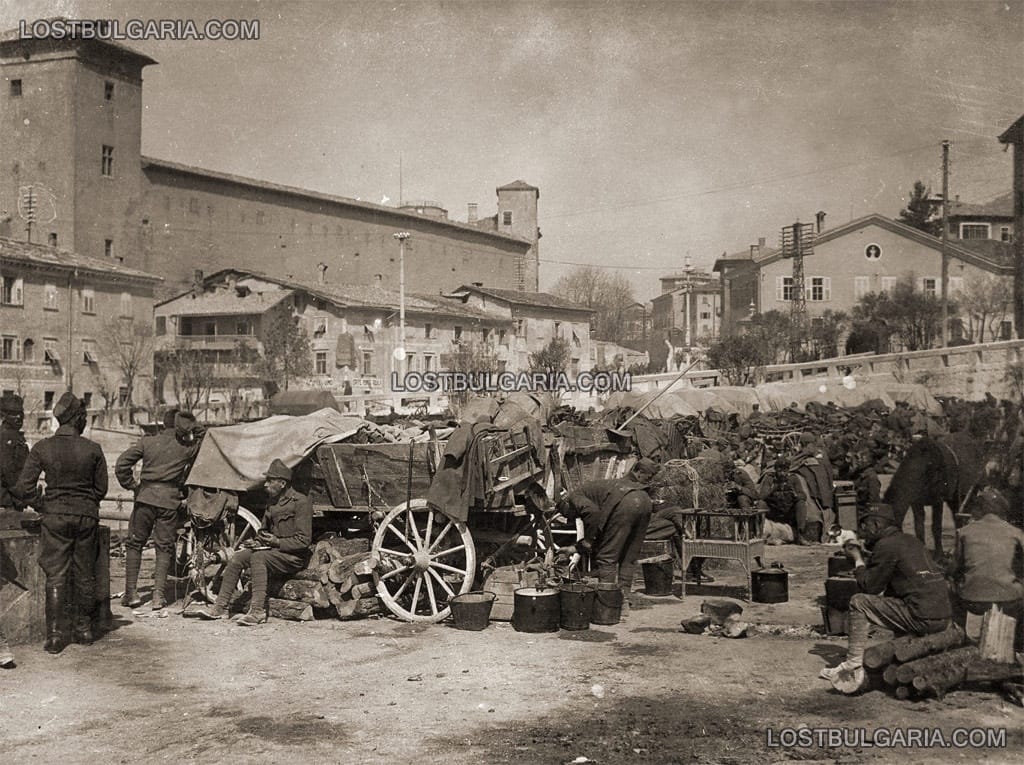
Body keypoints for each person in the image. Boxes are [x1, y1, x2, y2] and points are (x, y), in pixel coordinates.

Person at [820, 503, 952, 694]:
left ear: (875, 525)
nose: (863, 532)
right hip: (942, 616)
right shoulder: (911, 541)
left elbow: (870, 587)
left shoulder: (886, 545)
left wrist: (857, 560)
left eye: (864, 526)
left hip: (922, 617)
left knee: (859, 601)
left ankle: (853, 666)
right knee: (896, 598)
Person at [16, 393, 108, 654]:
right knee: (84, 572)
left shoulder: (42, 447)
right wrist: (85, 503)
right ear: (78, 419)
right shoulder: (93, 449)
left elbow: (24, 487)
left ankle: (56, 636)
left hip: (54, 517)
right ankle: (84, 630)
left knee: (55, 574)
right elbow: (101, 489)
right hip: (86, 517)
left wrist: (43, 504)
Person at [198, 459, 312, 625]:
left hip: (293, 557)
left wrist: (276, 542)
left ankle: (257, 611)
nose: (265, 485)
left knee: (259, 558)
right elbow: (263, 532)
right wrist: (257, 542)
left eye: (269, 481)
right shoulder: (272, 503)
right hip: (275, 552)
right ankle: (219, 607)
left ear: (282, 483)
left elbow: (304, 540)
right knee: (237, 557)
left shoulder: (301, 502)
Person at [114, 410, 203, 610]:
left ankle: (132, 594)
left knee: (135, 543)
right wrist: (190, 426)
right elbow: (203, 436)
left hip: (145, 498)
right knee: (164, 548)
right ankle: (158, 597)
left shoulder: (147, 442)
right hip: (169, 503)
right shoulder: (185, 448)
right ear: (180, 426)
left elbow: (121, 464)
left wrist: (132, 485)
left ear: (163, 424)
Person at [556, 458, 658, 616]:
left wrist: (588, 542)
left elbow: (593, 515)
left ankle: (608, 606)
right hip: (645, 501)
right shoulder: (606, 487)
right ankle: (624, 604)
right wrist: (575, 548)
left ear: (566, 506)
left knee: (606, 558)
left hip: (626, 504)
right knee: (628, 557)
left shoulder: (574, 496)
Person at [952, 487, 1024, 649]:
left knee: (951, 590)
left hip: (973, 601)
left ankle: (960, 639)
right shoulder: (1016, 533)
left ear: (978, 509)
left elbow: (954, 568)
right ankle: (1019, 646)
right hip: (1008, 600)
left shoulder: (964, 532)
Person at [0, 393, 29, 511]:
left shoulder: (15, 436)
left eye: (20, 413)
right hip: (7, 501)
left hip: (12, 498)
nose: (18, 417)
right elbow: (9, 473)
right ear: (4, 416)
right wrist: (22, 495)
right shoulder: (5, 438)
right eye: (13, 414)